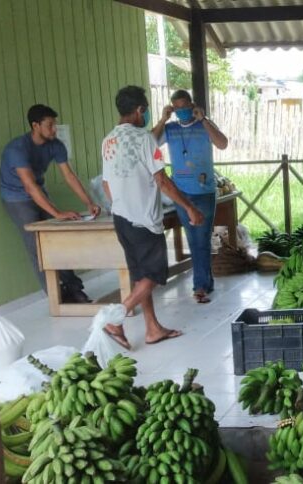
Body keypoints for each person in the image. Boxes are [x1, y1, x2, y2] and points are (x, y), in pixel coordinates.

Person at [99, 86, 204, 349]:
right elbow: (162, 181)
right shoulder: (145, 139)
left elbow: (106, 184)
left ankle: (152, 328)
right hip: (144, 220)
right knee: (154, 275)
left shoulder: (108, 140)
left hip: (121, 219)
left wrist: (122, 204)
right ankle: (116, 319)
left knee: (139, 276)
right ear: (140, 110)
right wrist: (189, 207)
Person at [0, 104, 99, 303]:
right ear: (35, 126)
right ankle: (56, 297)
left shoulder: (56, 144)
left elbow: (69, 176)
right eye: (50, 125)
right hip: (17, 198)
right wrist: (57, 213)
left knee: (58, 240)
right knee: (37, 246)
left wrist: (89, 202)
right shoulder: (17, 149)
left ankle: (75, 289)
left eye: (55, 124)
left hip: (38, 191)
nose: (55, 129)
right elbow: (29, 187)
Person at [151, 90, 229, 304]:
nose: (182, 112)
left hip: (204, 191)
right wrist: (162, 119)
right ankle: (204, 283)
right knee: (193, 239)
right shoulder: (170, 128)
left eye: (185, 107)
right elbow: (149, 144)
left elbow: (222, 143)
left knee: (201, 239)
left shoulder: (204, 125)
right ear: (173, 110)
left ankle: (200, 285)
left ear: (192, 105)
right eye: (177, 109)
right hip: (181, 192)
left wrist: (203, 119)